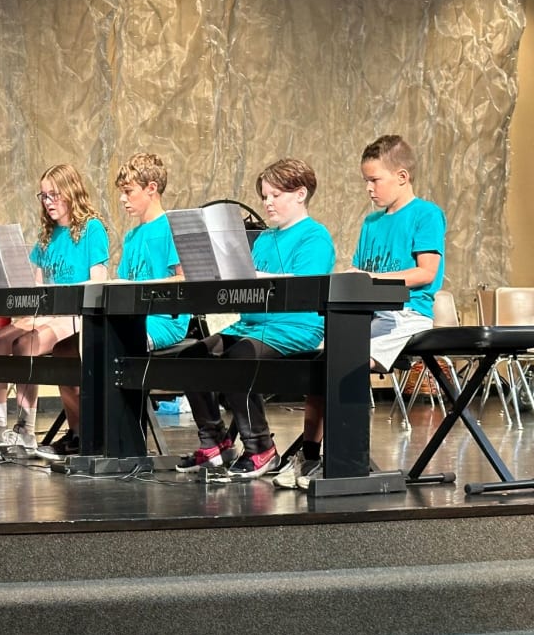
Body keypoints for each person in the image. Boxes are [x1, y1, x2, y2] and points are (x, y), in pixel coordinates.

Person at [275, 135, 446, 490]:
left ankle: (344, 462)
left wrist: (372, 279)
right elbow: (360, 272)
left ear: (402, 176)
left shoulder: (426, 214)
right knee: (321, 363)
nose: (369, 188)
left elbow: (425, 273)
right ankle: (310, 456)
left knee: (344, 363)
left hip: (406, 314)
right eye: (365, 180)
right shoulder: (371, 223)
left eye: (375, 180)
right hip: (367, 315)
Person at [177, 158, 335, 478]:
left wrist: (258, 277)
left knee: (239, 358)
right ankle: (215, 442)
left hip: (293, 326)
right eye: (265, 196)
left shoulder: (314, 236)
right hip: (251, 325)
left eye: (276, 195)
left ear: (300, 194)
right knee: (191, 357)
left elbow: (304, 288)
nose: (268, 202)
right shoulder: (263, 239)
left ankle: (260, 446)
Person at [35, 153, 186, 461]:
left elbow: (184, 280)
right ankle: (80, 432)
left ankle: (105, 435)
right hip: (131, 317)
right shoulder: (132, 236)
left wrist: (139, 289)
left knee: (99, 345)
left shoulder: (172, 228)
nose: (122, 199)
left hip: (162, 321)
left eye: (128, 192)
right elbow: (125, 281)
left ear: (151, 189)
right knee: (65, 349)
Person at [0, 164, 109, 456]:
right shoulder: (47, 236)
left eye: (54, 194)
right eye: (43, 196)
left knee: (26, 344)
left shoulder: (92, 228)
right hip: (47, 312)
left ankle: (25, 430)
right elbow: (37, 285)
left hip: (75, 313)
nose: (48, 202)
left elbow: (99, 281)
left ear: (71, 191)